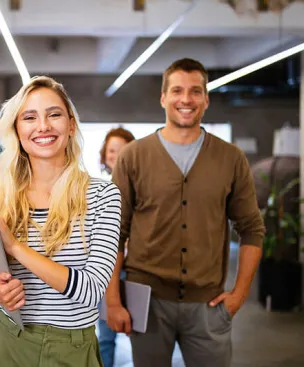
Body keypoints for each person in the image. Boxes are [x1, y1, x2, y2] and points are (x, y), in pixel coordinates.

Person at [107, 58, 265, 367]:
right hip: (146, 300)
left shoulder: (230, 158)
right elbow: (114, 233)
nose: (186, 99)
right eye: (177, 90)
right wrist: (113, 300)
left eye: (195, 91)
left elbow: (252, 229)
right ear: (163, 98)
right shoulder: (133, 156)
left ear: (206, 99)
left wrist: (239, 294)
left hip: (208, 303)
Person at [0, 76, 122, 367]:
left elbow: (90, 292)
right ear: (17, 130)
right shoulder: (0, 200)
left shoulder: (103, 196)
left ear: (71, 125)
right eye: (29, 117)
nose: (43, 126)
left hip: (72, 348)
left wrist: (15, 248)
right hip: (8, 343)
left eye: (54, 114)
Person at [97, 127, 134, 367]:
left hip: (136, 269)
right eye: (111, 150)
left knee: (141, 335)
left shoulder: (141, 187)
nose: (116, 155)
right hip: (106, 269)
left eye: (122, 150)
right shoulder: (98, 189)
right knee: (106, 336)